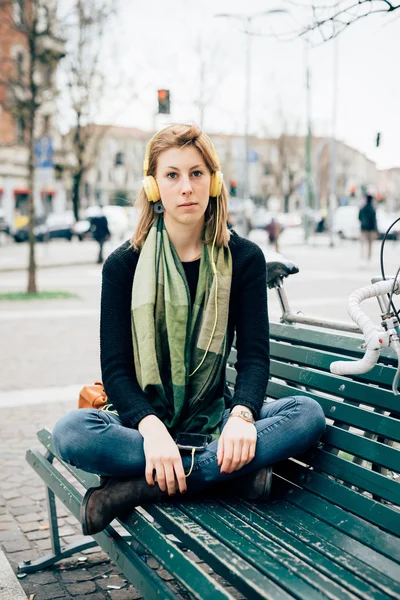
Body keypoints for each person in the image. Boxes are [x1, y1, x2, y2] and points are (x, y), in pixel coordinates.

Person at [52, 124, 325, 536]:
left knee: (306, 415)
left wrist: (242, 415)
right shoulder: (123, 265)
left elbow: (253, 358)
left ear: (213, 182)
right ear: (153, 185)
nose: (186, 187)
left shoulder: (244, 258)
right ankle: (228, 473)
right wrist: (151, 428)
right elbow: (116, 370)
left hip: (215, 415)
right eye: (172, 175)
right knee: (71, 432)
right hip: (142, 428)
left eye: (197, 173)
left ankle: (144, 487)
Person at [358, 195, 377, 262]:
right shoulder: (372, 209)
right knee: (370, 244)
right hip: (370, 229)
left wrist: (363, 222)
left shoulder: (362, 208)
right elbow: (374, 221)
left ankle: (362, 256)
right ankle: (369, 257)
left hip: (363, 228)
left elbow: (359, 218)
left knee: (363, 243)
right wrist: (375, 230)